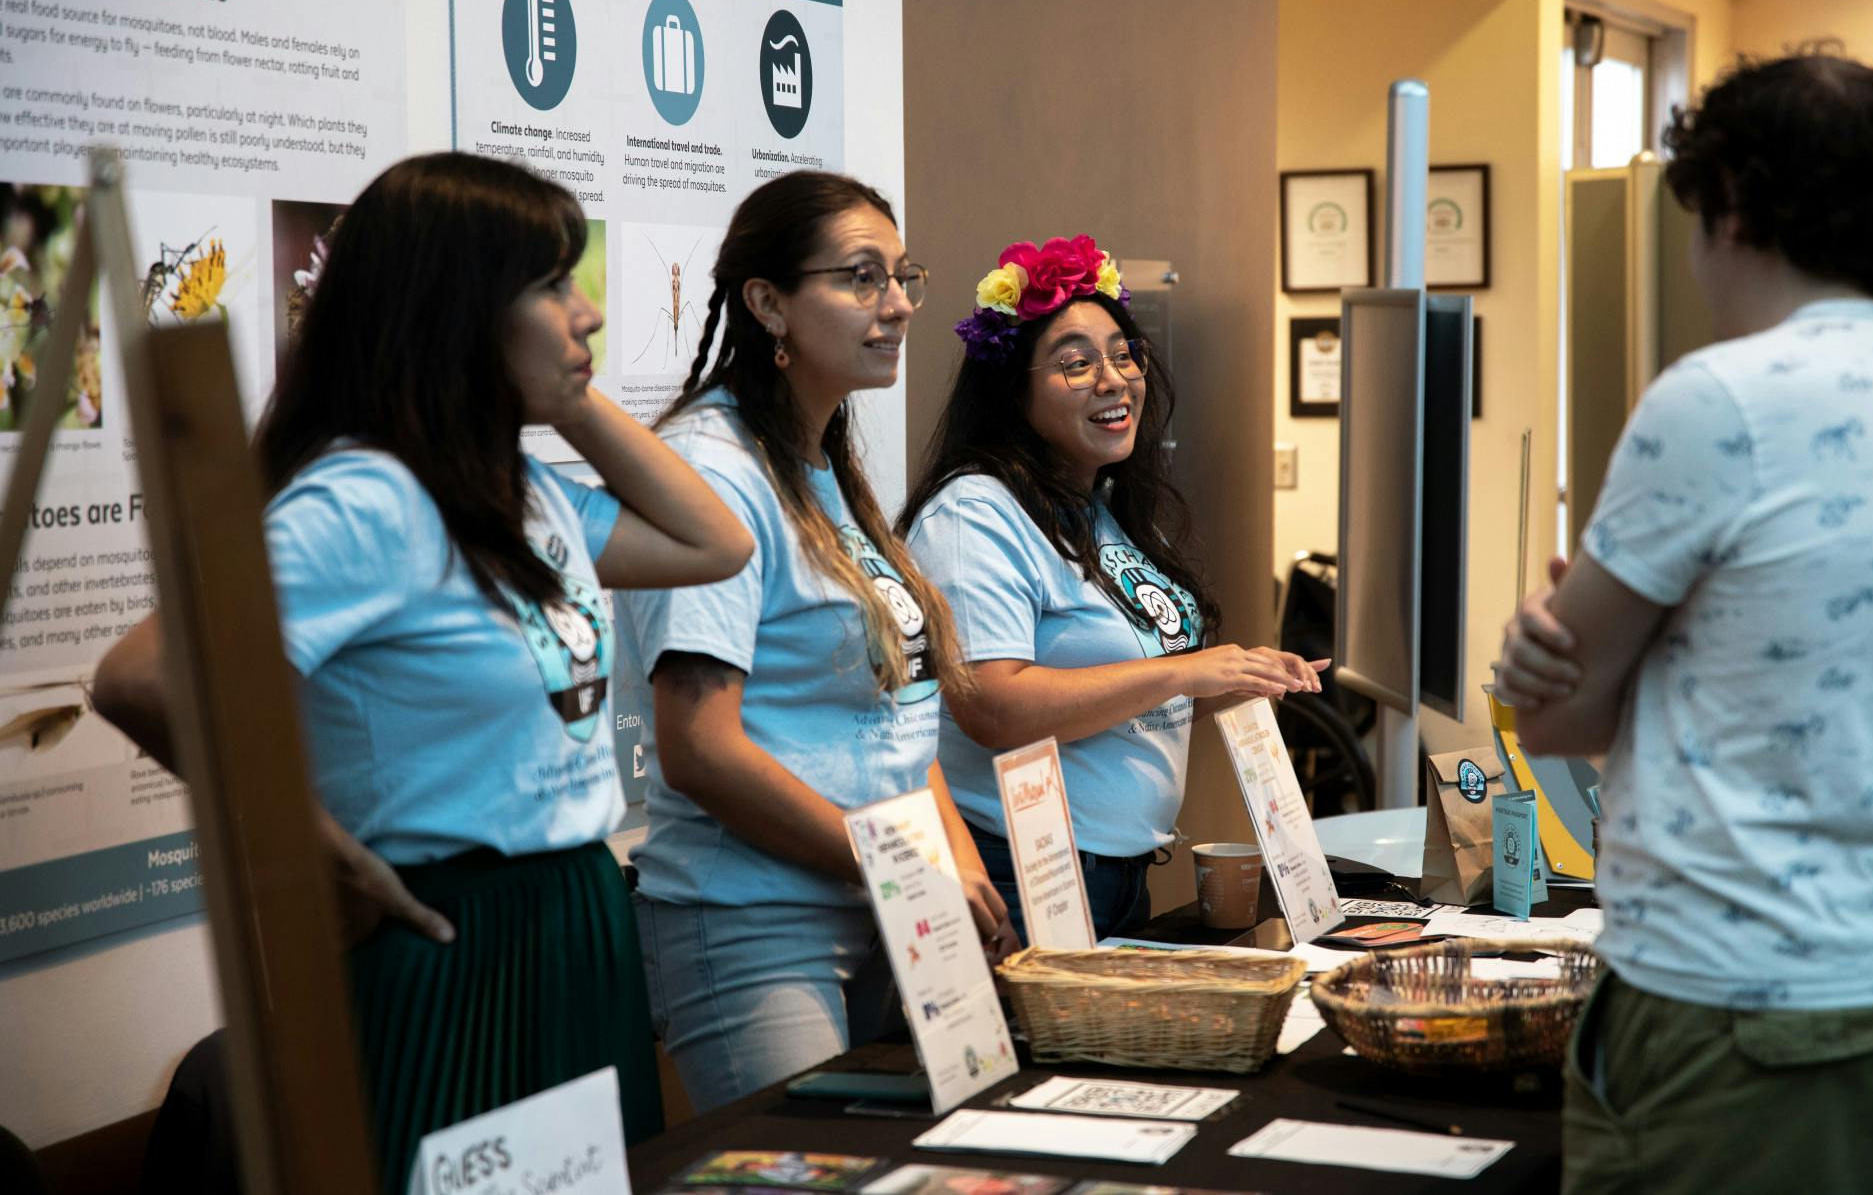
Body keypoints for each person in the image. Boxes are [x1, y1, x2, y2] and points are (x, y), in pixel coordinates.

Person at [94, 152, 753, 1189]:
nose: (585, 313)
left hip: (570, 914)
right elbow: (141, 677)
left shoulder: (510, 484)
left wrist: (570, 399)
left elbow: (714, 540)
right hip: (449, 929)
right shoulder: (369, 496)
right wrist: (311, 849)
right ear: (457, 308)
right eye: (550, 286)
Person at [1494, 52, 1873, 1194]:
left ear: (1728, 207)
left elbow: (1557, 719)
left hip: (1738, 1006)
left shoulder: (1714, 400)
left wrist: (1542, 649)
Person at [613, 171, 1020, 1113]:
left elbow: (895, 716)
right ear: (767, 303)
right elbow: (700, 749)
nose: (901, 305)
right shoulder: (712, 468)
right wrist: (900, 865)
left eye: (904, 275)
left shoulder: (825, 461)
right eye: (862, 278)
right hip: (753, 916)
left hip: (886, 900)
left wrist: (948, 858)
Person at [898, 234, 1324, 939]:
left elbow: (1117, 668)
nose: (1113, 378)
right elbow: (991, 704)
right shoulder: (975, 513)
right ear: (1013, 389)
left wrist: (1230, 674)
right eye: (1076, 363)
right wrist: (1182, 673)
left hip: (1117, 875)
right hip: (1021, 872)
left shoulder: (1098, 505)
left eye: (1125, 354)